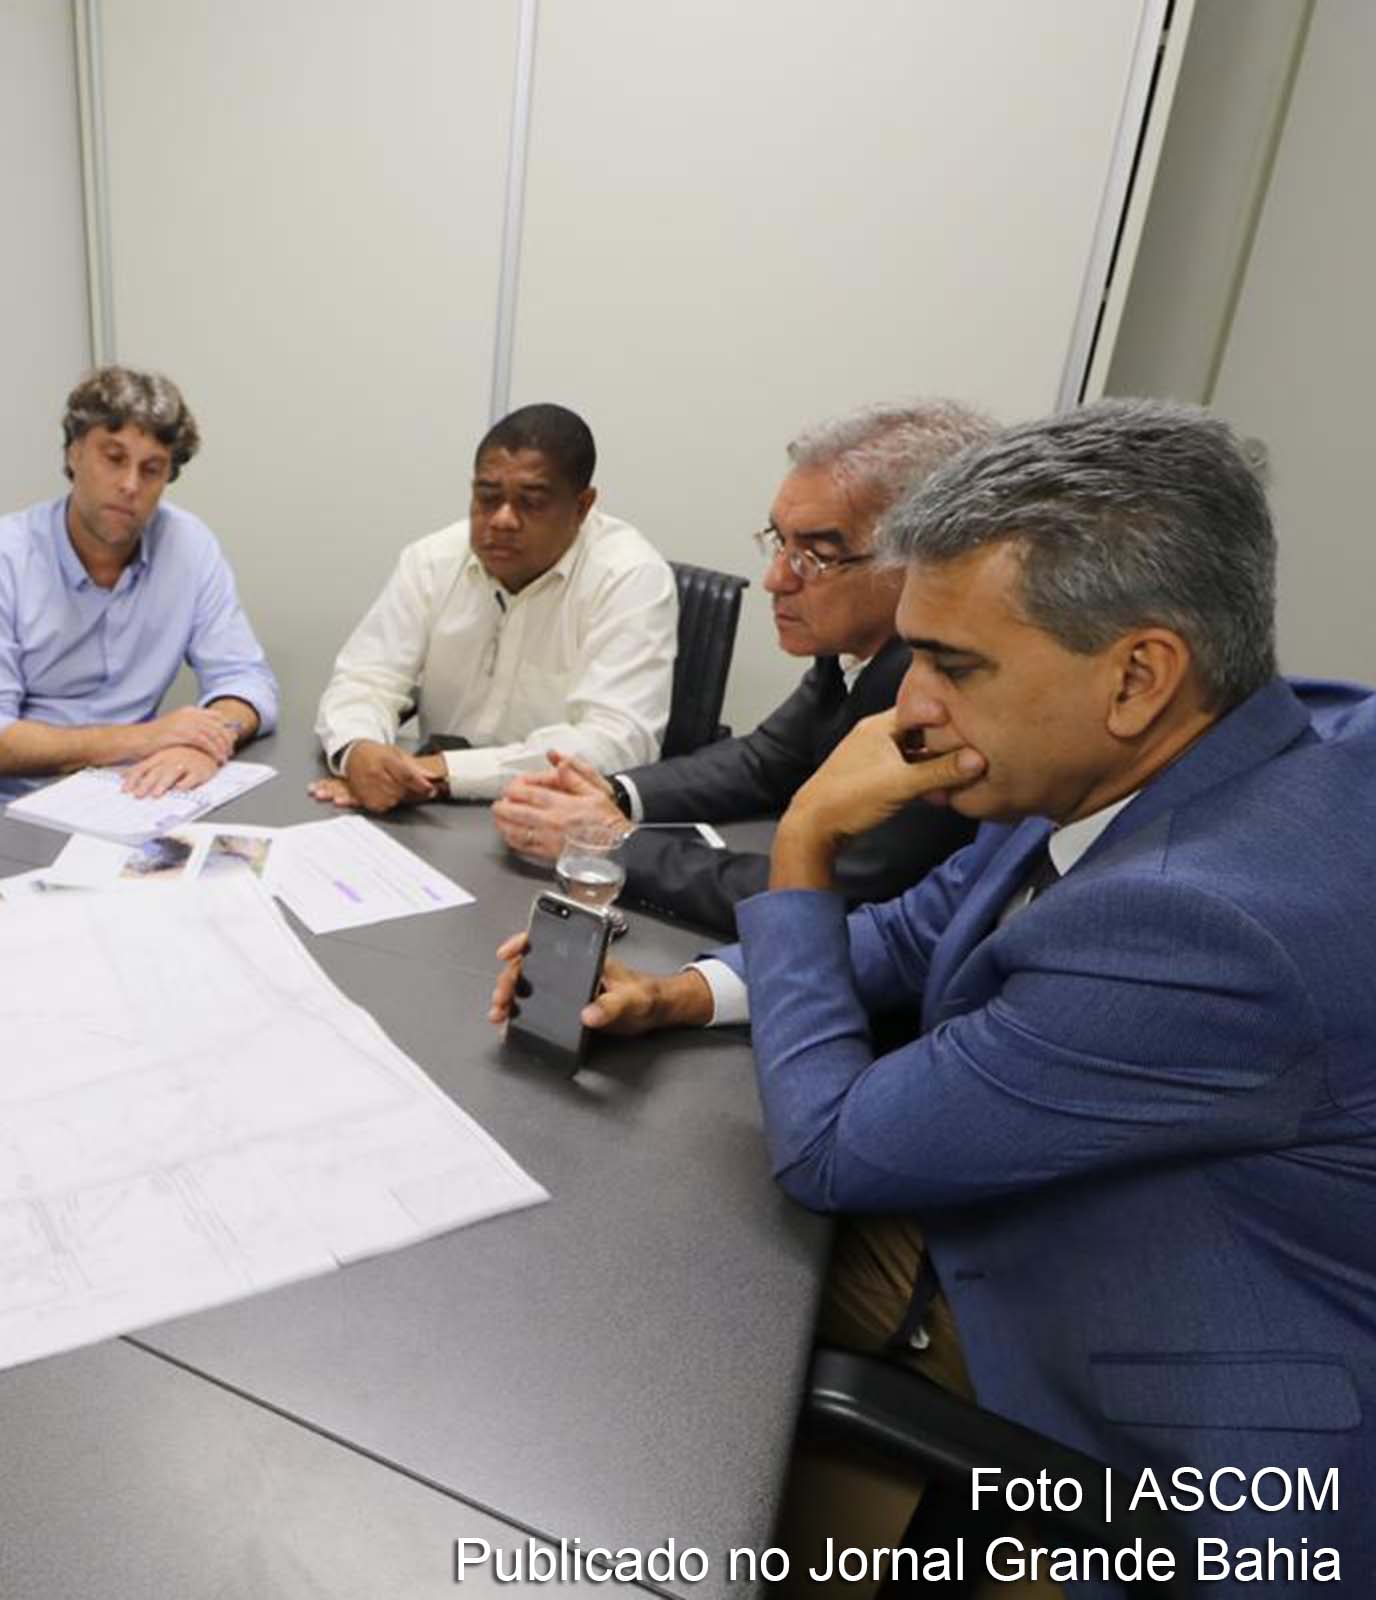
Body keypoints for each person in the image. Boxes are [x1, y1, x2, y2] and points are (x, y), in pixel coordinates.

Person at [490, 400, 1376, 1576]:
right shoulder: (1182, 749)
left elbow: (831, 1149)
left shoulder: (1198, 921)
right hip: (1074, 1213)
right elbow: (916, 933)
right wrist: (686, 993)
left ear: (1138, 676)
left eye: (953, 666)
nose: (908, 710)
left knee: (652, 1260)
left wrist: (805, 839)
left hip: (1158, 1426)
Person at [491, 401, 991, 935]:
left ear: (922, 562)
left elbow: (836, 894)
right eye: (780, 542)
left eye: (816, 555)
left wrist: (617, 844)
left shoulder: (938, 696)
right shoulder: (855, 648)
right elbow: (764, 760)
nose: (776, 579)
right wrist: (611, 796)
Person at [0, 367, 279, 840]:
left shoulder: (188, 547)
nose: (130, 485)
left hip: (126, 798)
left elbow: (246, 679)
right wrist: (146, 738)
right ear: (74, 453)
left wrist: (206, 740)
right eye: (114, 458)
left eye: (152, 469)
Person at [308, 402, 676, 813]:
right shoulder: (432, 561)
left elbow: (616, 741)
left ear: (582, 507)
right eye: (487, 497)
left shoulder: (630, 576)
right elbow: (364, 679)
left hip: (552, 817)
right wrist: (361, 751)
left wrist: (444, 772)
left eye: (531, 503)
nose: (502, 520)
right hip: (426, 809)